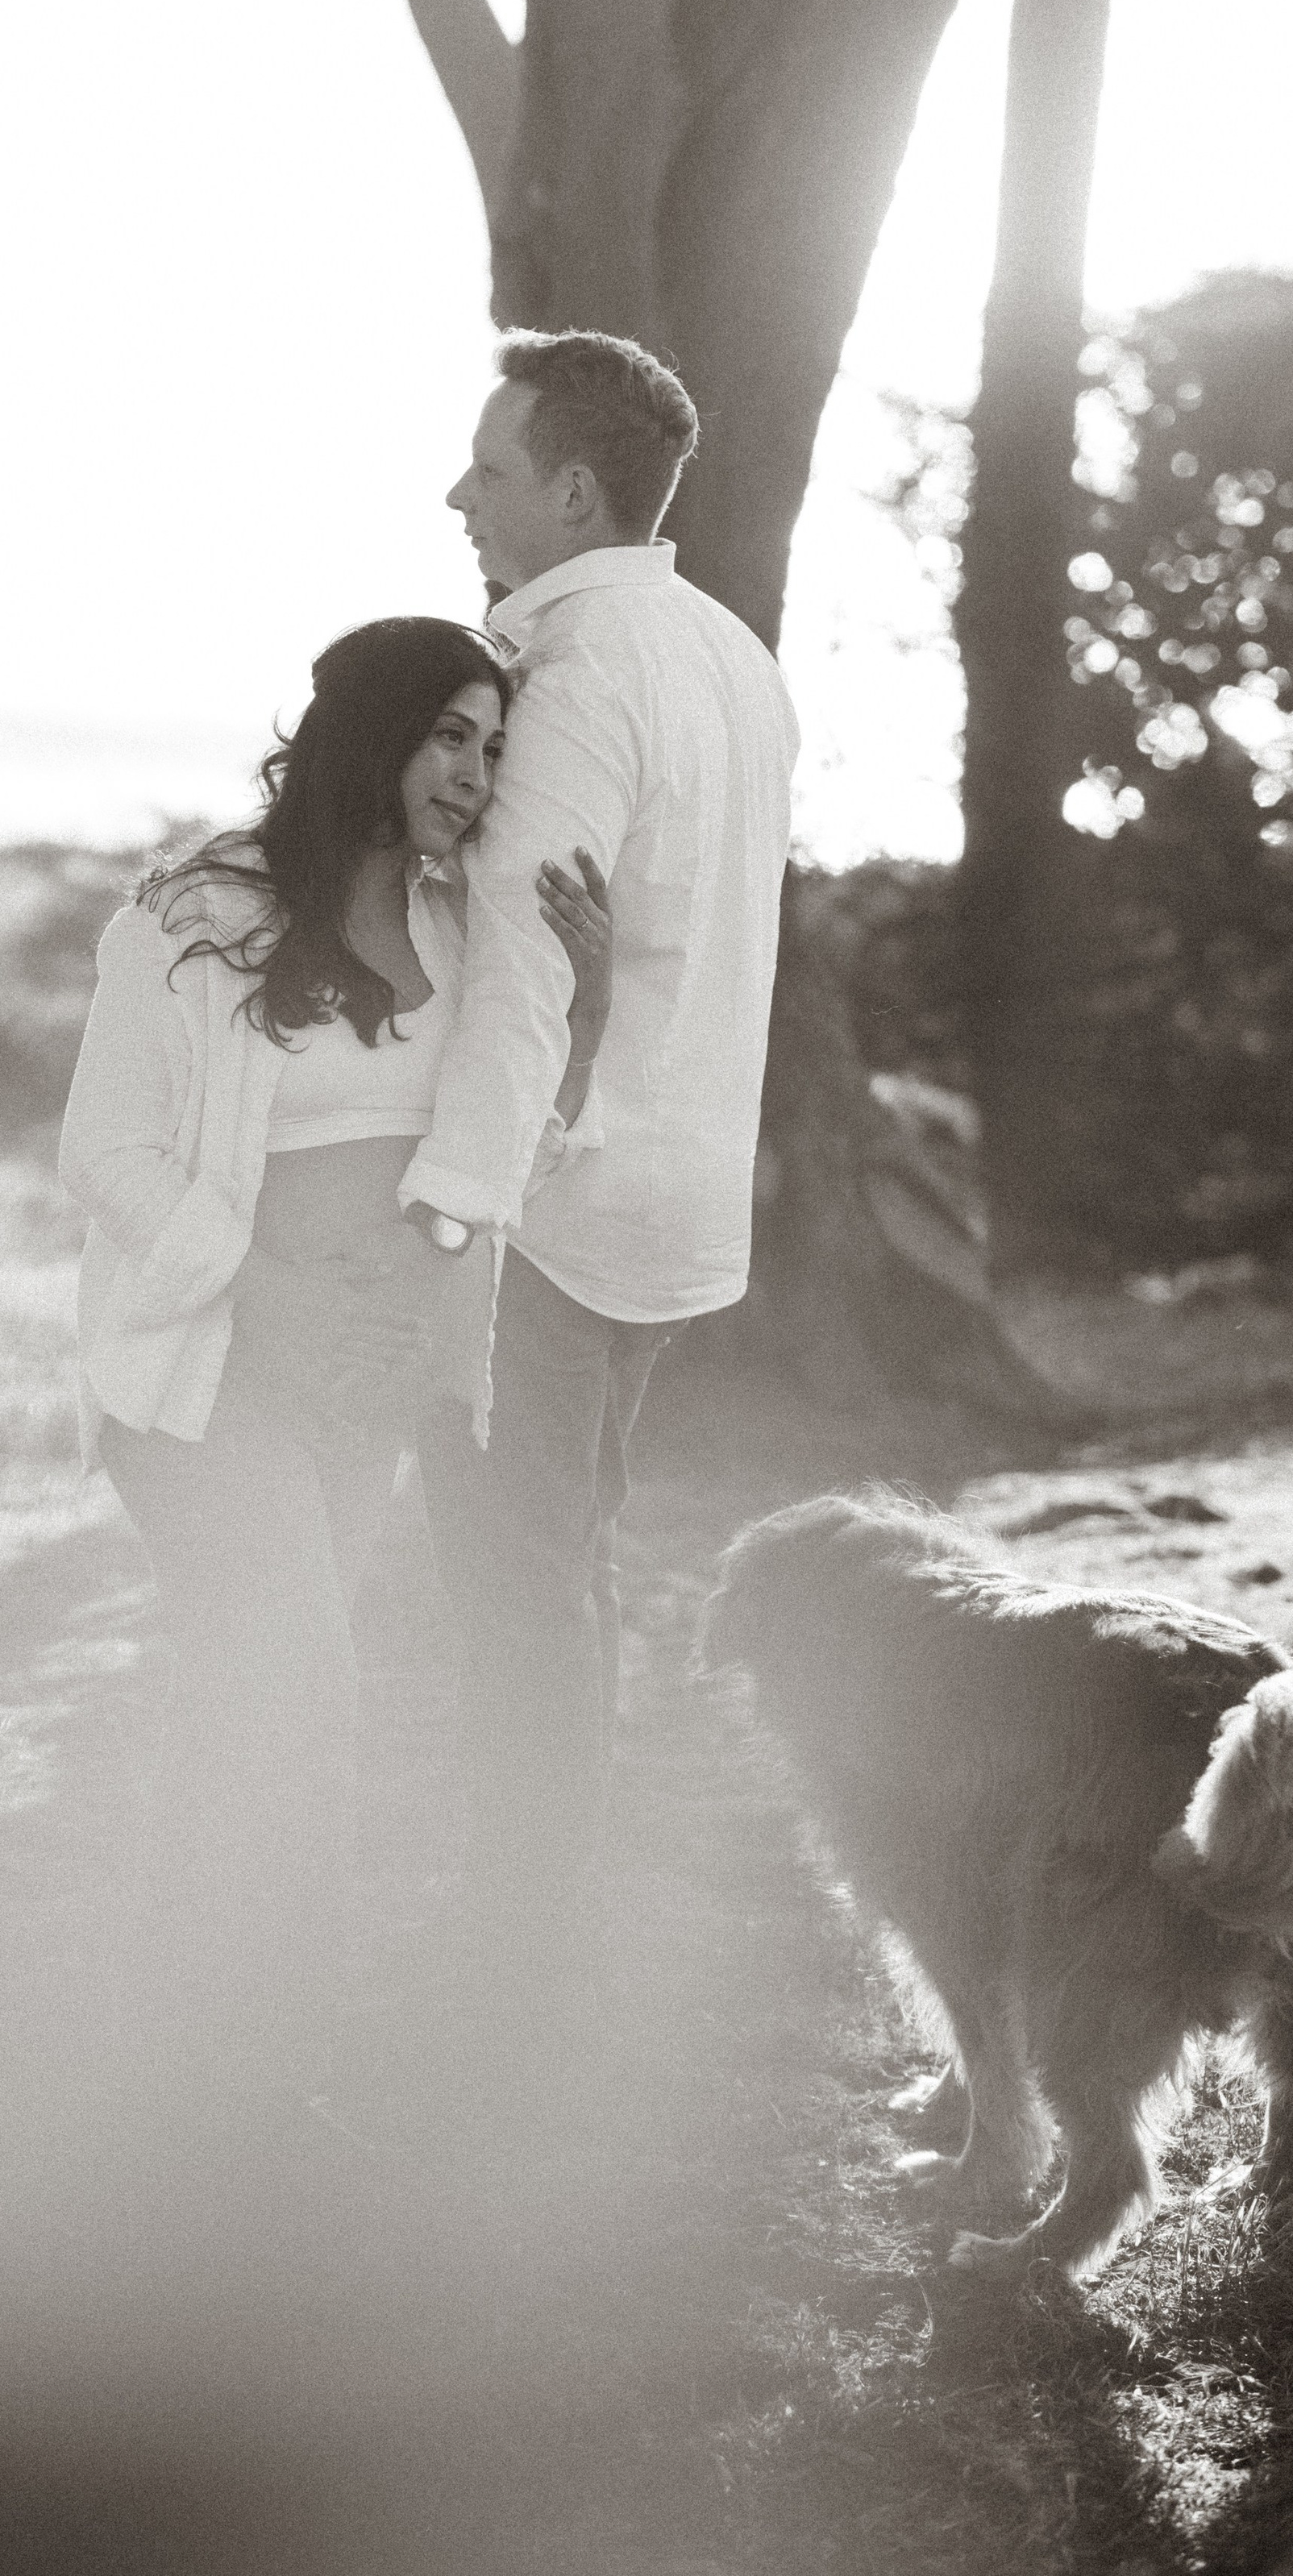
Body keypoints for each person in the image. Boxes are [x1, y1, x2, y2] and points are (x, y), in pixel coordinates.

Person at [57, 615, 613, 2064]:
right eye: (450, 736)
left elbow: (501, 1168)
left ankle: (177, 2041)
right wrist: (263, 1286)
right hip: (208, 1376)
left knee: (253, 1701)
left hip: (363, 1393)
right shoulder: (191, 917)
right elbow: (101, 1151)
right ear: (370, 731)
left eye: (495, 749)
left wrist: (587, 1017)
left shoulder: (462, 931)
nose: (477, 775)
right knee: (300, 1691)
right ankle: (266, 2059)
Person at [397, 329, 800, 1971]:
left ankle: (517, 1942)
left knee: (510, 1589)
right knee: (562, 1569)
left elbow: (517, 971)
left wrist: (444, 1212)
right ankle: (540, 1911)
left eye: (487, 469)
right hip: (671, 1201)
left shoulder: (569, 679)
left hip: (544, 1214)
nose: (456, 492)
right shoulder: (733, 657)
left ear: (571, 489)